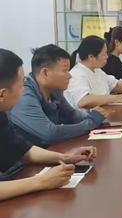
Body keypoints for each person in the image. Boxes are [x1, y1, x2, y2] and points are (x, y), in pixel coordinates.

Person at [0, 48, 96, 202]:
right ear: (2, 94)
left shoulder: (2, 114)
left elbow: (22, 150)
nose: (23, 89)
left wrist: (65, 157)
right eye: (20, 86)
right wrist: (42, 181)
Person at [9, 44, 108, 148]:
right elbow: (49, 134)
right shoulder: (24, 95)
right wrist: (90, 123)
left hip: (48, 151)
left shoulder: (54, 90)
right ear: (45, 73)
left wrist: (94, 117)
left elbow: (71, 115)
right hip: (25, 161)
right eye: (65, 70)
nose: (70, 75)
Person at [65, 36, 122, 109]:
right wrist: (113, 98)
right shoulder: (77, 74)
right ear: (91, 57)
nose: (107, 57)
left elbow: (114, 84)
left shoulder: (96, 70)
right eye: (104, 54)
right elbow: (83, 101)